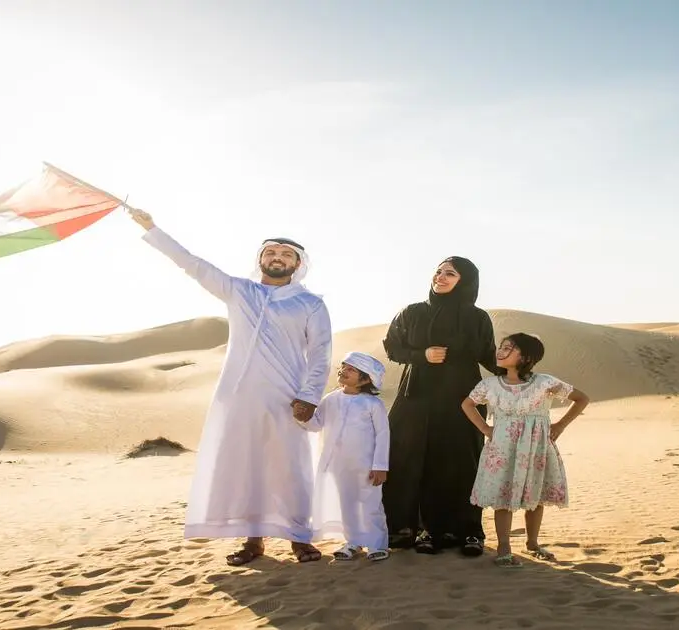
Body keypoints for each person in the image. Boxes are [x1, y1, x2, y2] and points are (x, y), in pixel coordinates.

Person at [128, 207, 333, 566]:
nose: (277, 257)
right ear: (261, 260)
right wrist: (152, 228)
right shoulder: (239, 291)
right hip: (239, 397)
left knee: (291, 467)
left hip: (289, 398)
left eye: (286, 254)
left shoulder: (310, 304)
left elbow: (321, 353)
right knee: (247, 466)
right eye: (271, 252)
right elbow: (193, 264)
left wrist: (309, 396)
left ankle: (299, 538)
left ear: (298, 264)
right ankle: (253, 540)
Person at [381, 256, 499, 557]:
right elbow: (392, 346)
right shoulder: (412, 312)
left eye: (450, 274)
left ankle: (468, 531)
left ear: (465, 281)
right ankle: (421, 529)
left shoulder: (478, 318)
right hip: (416, 397)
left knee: (462, 461)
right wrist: (421, 355)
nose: (441, 277)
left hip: (462, 399)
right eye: (438, 272)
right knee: (411, 458)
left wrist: (521, 373)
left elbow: (489, 355)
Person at [462, 333, 590, 568]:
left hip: (535, 447)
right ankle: (503, 548)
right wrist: (485, 429)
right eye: (501, 347)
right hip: (503, 448)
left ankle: (533, 543)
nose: (500, 351)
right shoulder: (490, 385)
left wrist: (560, 425)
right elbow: (468, 404)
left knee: (535, 494)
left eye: (508, 348)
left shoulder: (544, 382)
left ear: (526, 357)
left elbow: (581, 398)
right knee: (503, 496)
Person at [296, 351, 391, 562]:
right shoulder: (330, 399)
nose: (343, 371)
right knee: (347, 504)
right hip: (337, 465)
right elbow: (316, 425)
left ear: (365, 379)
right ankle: (353, 541)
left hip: (366, 466)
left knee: (370, 504)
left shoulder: (373, 405)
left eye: (351, 370)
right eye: (343, 367)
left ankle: (377, 544)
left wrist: (380, 465)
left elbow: (383, 435)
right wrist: (303, 417)